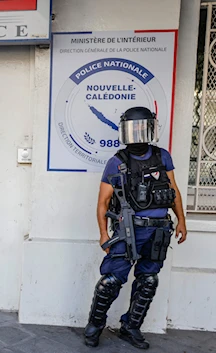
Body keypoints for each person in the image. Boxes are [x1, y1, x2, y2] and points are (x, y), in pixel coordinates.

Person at [83, 107, 187, 350]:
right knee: (111, 281)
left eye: (142, 128)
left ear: (151, 129)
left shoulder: (163, 157)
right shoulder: (117, 162)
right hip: (128, 230)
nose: (138, 134)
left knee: (148, 279)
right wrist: (103, 234)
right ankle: (95, 325)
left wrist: (181, 219)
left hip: (159, 230)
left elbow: (173, 191)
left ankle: (131, 327)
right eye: (133, 129)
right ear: (124, 132)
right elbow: (103, 203)